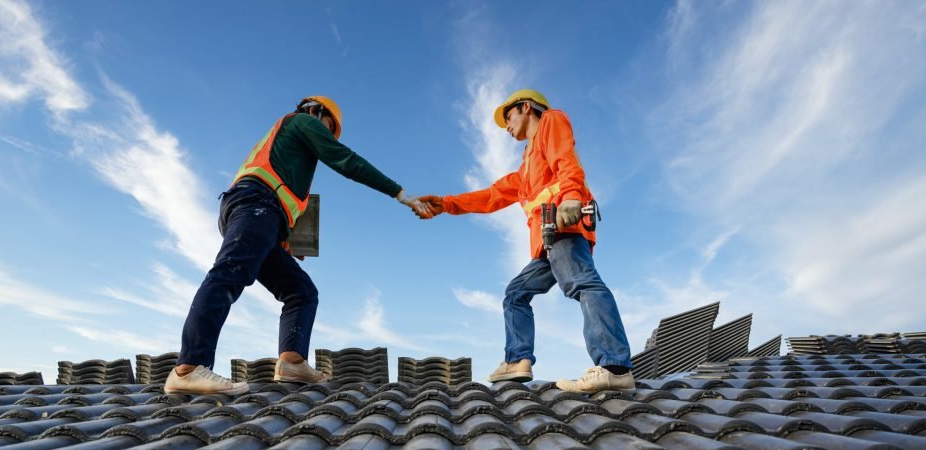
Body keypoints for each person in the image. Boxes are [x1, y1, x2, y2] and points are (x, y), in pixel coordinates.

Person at [166, 96, 428, 395]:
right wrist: (399, 192)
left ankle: (292, 362)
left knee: (301, 292)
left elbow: (285, 189)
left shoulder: (290, 152)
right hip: (256, 204)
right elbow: (345, 159)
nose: (326, 135)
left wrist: (284, 239)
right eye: (328, 127)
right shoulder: (301, 121)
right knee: (229, 273)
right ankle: (188, 367)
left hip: (264, 215)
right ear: (316, 112)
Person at [419, 89, 634, 393]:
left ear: (525, 108)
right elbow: (491, 196)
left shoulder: (551, 121)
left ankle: (615, 366)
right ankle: (518, 360)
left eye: (508, 117)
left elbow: (566, 159)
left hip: (564, 226)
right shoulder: (526, 169)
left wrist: (571, 197)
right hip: (547, 243)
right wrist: (445, 203)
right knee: (516, 293)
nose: (506, 126)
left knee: (582, 282)